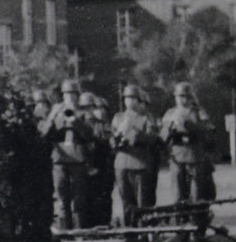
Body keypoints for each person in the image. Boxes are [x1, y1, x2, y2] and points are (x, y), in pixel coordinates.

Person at [39, 78, 91, 230]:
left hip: (78, 159)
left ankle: (79, 233)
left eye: (72, 94)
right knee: (62, 199)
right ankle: (65, 234)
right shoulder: (56, 111)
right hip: (60, 159)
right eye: (66, 94)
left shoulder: (83, 112)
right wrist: (55, 118)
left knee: (79, 200)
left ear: (77, 96)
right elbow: (45, 134)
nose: (69, 98)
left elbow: (90, 134)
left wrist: (76, 122)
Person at [110, 84, 159, 226]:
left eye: (132, 98)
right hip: (121, 164)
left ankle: (144, 233)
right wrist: (115, 139)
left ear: (138, 100)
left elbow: (153, 137)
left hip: (140, 164)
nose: (129, 101)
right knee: (126, 201)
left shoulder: (146, 117)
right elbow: (111, 136)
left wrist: (136, 136)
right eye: (126, 98)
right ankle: (130, 233)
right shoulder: (118, 117)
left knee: (142, 201)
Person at [159, 82, 213, 206]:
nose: (182, 100)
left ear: (190, 97)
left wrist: (189, 125)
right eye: (179, 96)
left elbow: (208, 131)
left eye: (185, 96)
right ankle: (181, 217)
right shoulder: (170, 113)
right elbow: (162, 136)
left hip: (195, 153)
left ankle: (196, 217)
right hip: (177, 154)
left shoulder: (199, 112)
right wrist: (170, 128)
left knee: (196, 190)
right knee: (178, 189)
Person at [79, 91, 115, 228]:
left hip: (101, 164)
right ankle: (88, 225)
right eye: (83, 108)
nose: (87, 111)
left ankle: (104, 224)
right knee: (85, 197)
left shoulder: (101, 124)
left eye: (90, 107)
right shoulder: (78, 124)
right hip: (84, 164)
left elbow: (109, 143)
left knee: (103, 196)